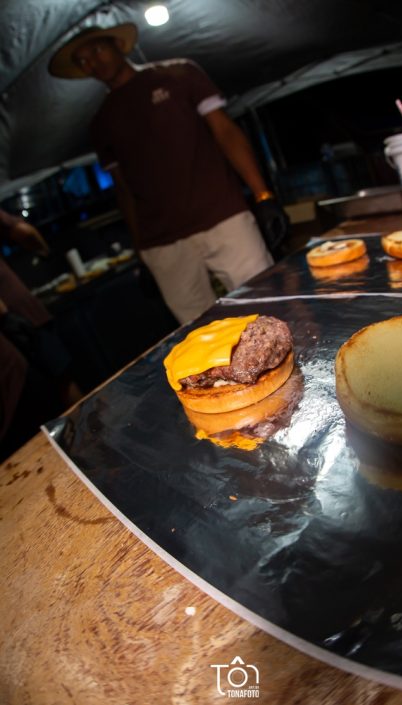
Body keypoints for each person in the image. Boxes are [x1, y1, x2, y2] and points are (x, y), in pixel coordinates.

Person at [48, 23, 289, 324]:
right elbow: (123, 189)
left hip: (222, 215)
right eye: (83, 60)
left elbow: (225, 131)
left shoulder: (178, 74)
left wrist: (263, 195)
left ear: (118, 45)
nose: (93, 62)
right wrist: (141, 252)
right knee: (199, 328)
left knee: (268, 305)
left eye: (97, 50)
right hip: (161, 241)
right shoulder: (101, 122)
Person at [0, 209, 81, 461]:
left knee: (54, 388)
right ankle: (89, 440)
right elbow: (25, 233)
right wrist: (44, 251)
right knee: (60, 384)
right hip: (17, 316)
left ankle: (84, 443)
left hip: (16, 317)